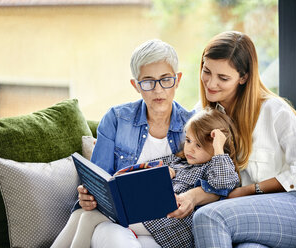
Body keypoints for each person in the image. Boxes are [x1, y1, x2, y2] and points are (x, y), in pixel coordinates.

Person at [190, 31, 296, 248]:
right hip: (252, 219)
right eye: (206, 71)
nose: (211, 83)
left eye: (223, 78)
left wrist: (248, 190)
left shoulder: (273, 110)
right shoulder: (202, 116)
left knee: (208, 217)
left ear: (244, 77)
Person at [52, 38, 195, 248]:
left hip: (167, 224)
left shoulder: (192, 125)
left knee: (88, 220)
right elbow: (100, 178)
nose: (158, 90)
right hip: (115, 223)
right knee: (99, 226)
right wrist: (89, 196)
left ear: (178, 79)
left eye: (165, 79)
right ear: (136, 85)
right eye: (147, 81)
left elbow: (212, 178)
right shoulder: (117, 119)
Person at [53, 108, 240, 248]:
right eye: (189, 140)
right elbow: (143, 170)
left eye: (198, 145)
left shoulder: (213, 168)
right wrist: (158, 171)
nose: (190, 148)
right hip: (149, 217)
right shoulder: (179, 160)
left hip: (168, 225)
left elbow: (225, 183)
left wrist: (218, 149)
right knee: (82, 214)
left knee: (90, 217)